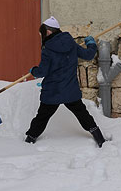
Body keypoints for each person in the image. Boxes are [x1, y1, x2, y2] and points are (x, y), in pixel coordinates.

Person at [25, 16, 106, 147]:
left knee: (42, 117)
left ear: (49, 32)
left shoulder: (48, 49)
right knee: (82, 114)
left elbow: (42, 72)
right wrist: (91, 43)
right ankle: (99, 138)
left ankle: (30, 139)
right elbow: (88, 55)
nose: (41, 36)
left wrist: (34, 70)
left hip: (53, 91)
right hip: (70, 90)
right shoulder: (71, 43)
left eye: (42, 33)